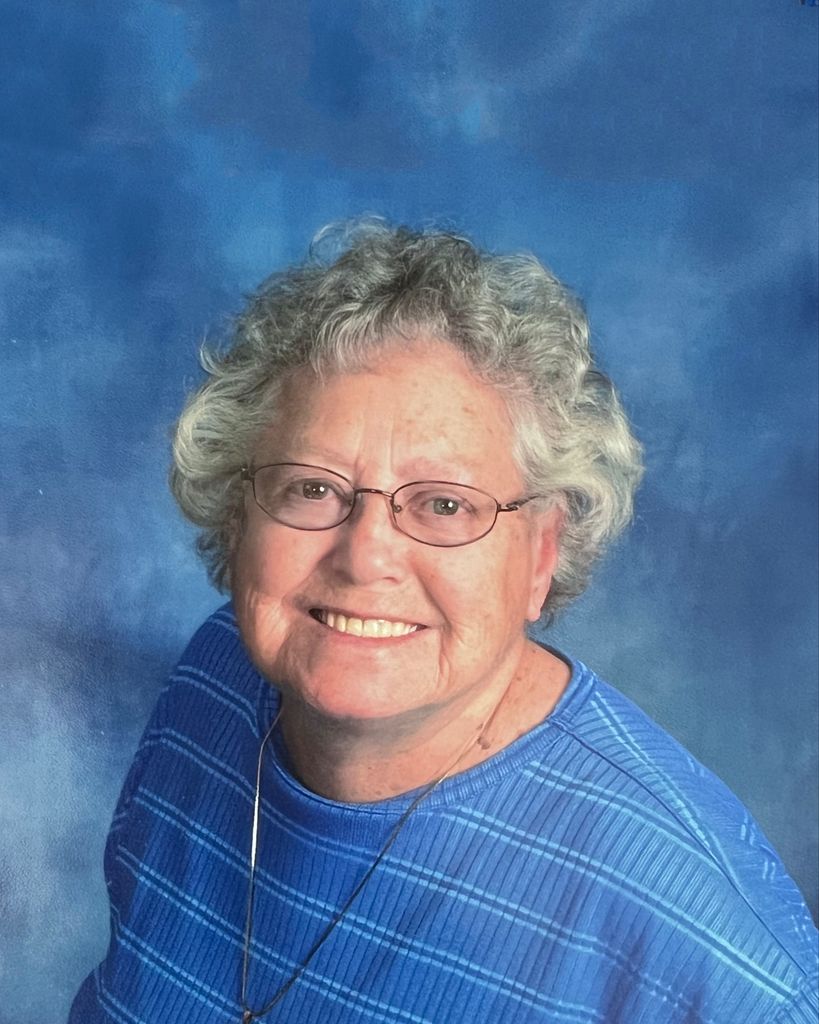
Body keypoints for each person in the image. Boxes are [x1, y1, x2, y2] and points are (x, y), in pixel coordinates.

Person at [70, 222, 817, 1024]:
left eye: (444, 505)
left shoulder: (705, 952)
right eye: (312, 488)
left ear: (540, 553)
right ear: (238, 510)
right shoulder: (216, 679)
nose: (365, 557)